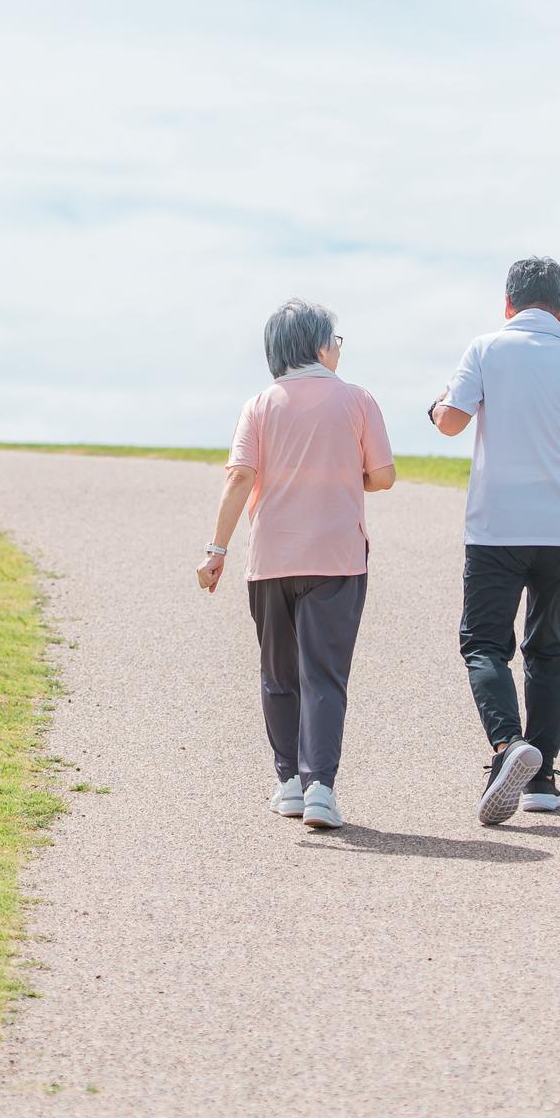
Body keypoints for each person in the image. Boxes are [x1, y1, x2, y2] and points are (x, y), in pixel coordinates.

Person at [429, 257, 560, 826]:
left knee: (485, 645)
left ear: (507, 305)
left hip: (497, 527)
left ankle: (506, 748)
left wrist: (437, 403)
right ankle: (541, 779)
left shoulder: (486, 350)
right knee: (550, 649)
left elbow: (450, 422)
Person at [196, 299, 396, 831]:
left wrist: (215, 552)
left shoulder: (259, 405)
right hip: (337, 558)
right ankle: (320, 790)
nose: (338, 348)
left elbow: (239, 477)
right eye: (336, 339)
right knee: (325, 676)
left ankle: (287, 782)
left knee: (279, 674)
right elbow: (383, 477)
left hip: (270, 560)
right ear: (319, 345)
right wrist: (341, 470)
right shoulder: (357, 400)